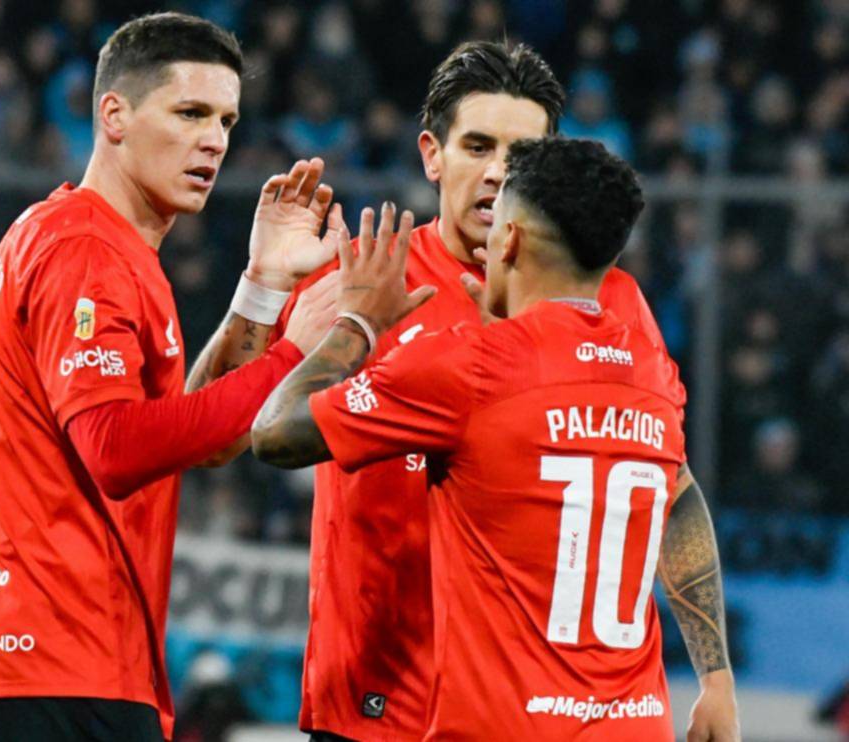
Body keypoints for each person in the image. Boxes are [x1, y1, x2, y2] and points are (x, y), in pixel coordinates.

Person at [0, 12, 345, 742]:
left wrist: (262, 287)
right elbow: (116, 448)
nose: (214, 140)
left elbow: (196, 436)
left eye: (225, 120)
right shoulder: (86, 253)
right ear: (114, 115)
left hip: (35, 662)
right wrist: (294, 354)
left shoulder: (80, 241)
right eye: (189, 113)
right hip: (62, 663)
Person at [252, 137, 740, 741]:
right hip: (636, 726)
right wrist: (717, 680)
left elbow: (274, 433)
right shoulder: (652, 371)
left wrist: (356, 323)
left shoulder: (467, 367)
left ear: (507, 240)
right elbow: (680, 500)